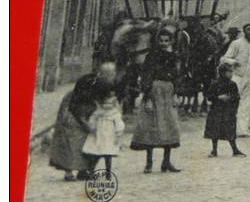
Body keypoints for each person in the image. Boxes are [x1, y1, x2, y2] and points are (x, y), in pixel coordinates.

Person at [49, 62, 117, 181]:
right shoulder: (88, 84)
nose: (113, 76)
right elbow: (77, 109)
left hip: (86, 113)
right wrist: (87, 125)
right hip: (73, 110)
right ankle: (69, 171)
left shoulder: (105, 85)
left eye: (113, 73)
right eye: (111, 74)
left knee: (89, 141)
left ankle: (84, 170)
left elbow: (104, 104)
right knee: (71, 141)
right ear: (103, 73)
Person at [130, 29, 183, 173]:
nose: (164, 44)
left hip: (168, 92)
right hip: (155, 91)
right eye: (161, 40)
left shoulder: (173, 57)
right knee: (151, 126)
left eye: (167, 41)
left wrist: (176, 94)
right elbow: (147, 76)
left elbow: (176, 76)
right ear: (157, 41)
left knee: (169, 125)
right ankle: (149, 163)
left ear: (171, 41)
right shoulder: (151, 57)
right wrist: (147, 97)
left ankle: (166, 162)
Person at [221, 23, 250, 137]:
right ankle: (230, 130)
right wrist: (234, 62)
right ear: (244, 31)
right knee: (234, 101)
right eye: (248, 29)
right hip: (237, 76)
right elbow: (224, 58)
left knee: (247, 104)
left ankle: (243, 131)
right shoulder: (236, 44)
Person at [204, 61, 245, 157]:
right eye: (229, 72)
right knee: (215, 130)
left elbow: (237, 97)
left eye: (231, 72)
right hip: (216, 111)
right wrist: (218, 97)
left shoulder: (232, 84)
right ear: (222, 73)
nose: (231, 74)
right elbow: (209, 96)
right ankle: (214, 150)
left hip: (228, 111)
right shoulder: (215, 84)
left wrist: (230, 98)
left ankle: (235, 149)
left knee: (230, 130)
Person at [82, 88, 126, 177]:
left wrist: (118, 134)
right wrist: (92, 127)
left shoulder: (115, 114)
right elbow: (92, 120)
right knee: (95, 153)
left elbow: (119, 124)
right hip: (98, 135)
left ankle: (108, 173)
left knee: (108, 154)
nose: (106, 106)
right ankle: (91, 171)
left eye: (109, 104)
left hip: (108, 135)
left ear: (114, 104)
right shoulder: (98, 113)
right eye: (104, 103)